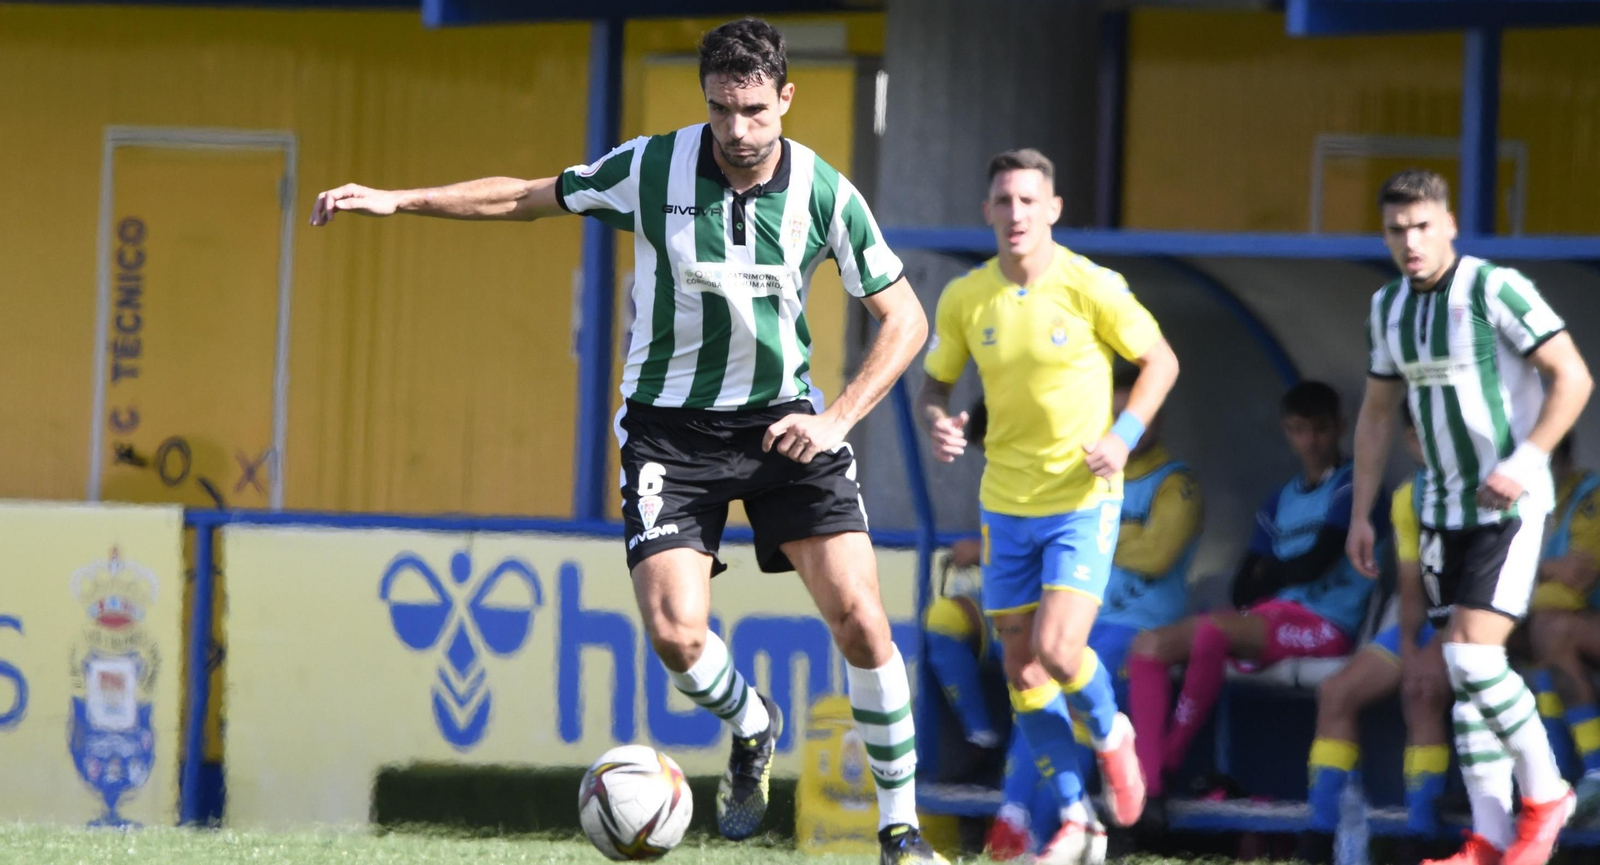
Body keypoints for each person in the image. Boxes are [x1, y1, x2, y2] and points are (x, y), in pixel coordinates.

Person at [310, 18, 946, 863]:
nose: (738, 130)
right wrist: (398, 199)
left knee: (864, 619)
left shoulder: (825, 193)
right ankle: (752, 724)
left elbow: (905, 318)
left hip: (787, 423)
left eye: (755, 110)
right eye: (722, 110)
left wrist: (835, 419)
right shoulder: (653, 167)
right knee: (679, 636)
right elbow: (527, 196)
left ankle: (901, 834)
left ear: (786, 100)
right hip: (669, 432)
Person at [916, 147, 1181, 865]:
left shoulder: (1092, 284)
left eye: (1029, 201)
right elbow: (935, 384)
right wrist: (940, 417)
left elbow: (1161, 361)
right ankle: (1075, 816)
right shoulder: (967, 297)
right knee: (1023, 670)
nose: (1016, 214)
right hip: (1005, 506)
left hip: (1080, 499)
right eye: (1004, 201)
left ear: (1053, 209)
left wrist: (1124, 435)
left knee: (1062, 651)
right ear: (988, 213)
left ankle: (1113, 734)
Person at [1347, 169, 1593, 865]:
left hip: (1509, 502)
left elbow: (1572, 376)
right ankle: (1487, 838)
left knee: (1471, 657)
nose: (1410, 241)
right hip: (1439, 508)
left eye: (1423, 226)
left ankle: (1548, 795)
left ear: (1450, 223)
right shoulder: (1388, 307)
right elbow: (1375, 413)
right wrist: (1362, 512)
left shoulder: (1494, 288)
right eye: (1397, 230)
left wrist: (1526, 458)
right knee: (1462, 671)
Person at [1126, 382, 1382, 807]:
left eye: (1320, 430)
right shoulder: (1278, 501)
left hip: (1326, 626)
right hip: (1273, 617)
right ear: (1287, 431)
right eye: (1300, 430)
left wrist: (1275, 572)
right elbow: (1244, 586)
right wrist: (1279, 574)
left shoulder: (1353, 488)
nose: (1311, 441)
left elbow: (1316, 562)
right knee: (1148, 645)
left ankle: (1163, 773)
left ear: (1340, 428)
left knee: (1212, 633)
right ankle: (1148, 785)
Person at [1295, 408, 1452, 865]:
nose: (1431, 447)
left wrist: (1429, 655)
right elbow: (1410, 587)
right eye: (1420, 437)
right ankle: (1320, 837)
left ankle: (1422, 837)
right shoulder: (1408, 497)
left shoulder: (1479, 491)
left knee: (1423, 692)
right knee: (1336, 692)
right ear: (1409, 441)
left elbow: (1484, 591)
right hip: (1428, 624)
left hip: (1479, 625)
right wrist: (1410, 648)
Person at [1527, 436, 1600, 823]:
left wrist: (1531, 577)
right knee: (1526, 638)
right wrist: (1545, 573)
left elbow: (1575, 584)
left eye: (1546, 464)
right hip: (1577, 624)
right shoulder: (1528, 502)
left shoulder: (1590, 498)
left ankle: (1596, 769)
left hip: (1584, 619)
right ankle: (1553, 774)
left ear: (1568, 459)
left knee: (1550, 629)